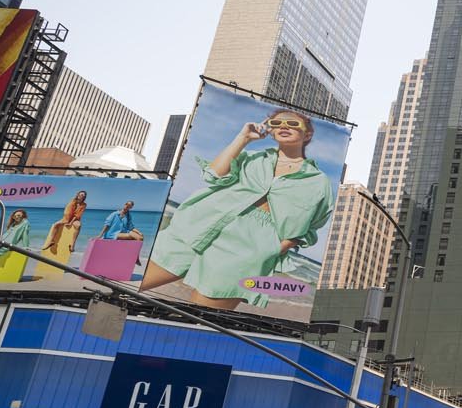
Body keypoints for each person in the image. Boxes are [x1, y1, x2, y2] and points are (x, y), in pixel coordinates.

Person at [142, 109, 335, 310]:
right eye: (277, 124)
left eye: (293, 124)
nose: (284, 127)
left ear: (308, 134)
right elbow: (213, 175)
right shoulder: (251, 157)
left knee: (198, 321)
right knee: (125, 284)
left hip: (246, 249)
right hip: (198, 225)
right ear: (270, 130)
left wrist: (270, 250)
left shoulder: (318, 182)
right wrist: (243, 139)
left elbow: (310, 227)